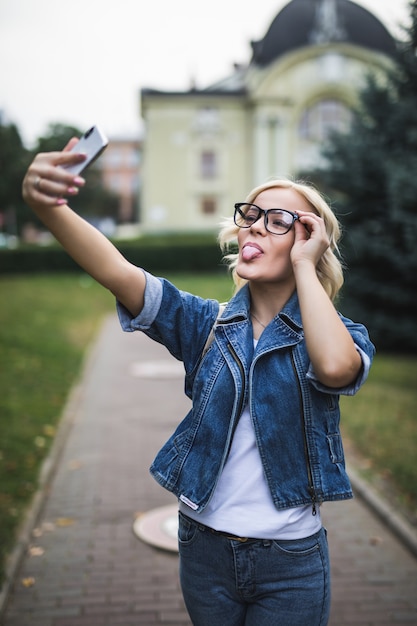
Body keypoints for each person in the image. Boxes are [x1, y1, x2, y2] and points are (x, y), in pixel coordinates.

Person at [22, 137, 375, 626]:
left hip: (291, 562)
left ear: (309, 242)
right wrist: (48, 206)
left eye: (278, 221)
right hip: (203, 550)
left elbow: (336, 368)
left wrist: (302, 265)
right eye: (251, 215)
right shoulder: (204, 325)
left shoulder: (341, 336)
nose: (255, 226)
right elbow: (117, 271)